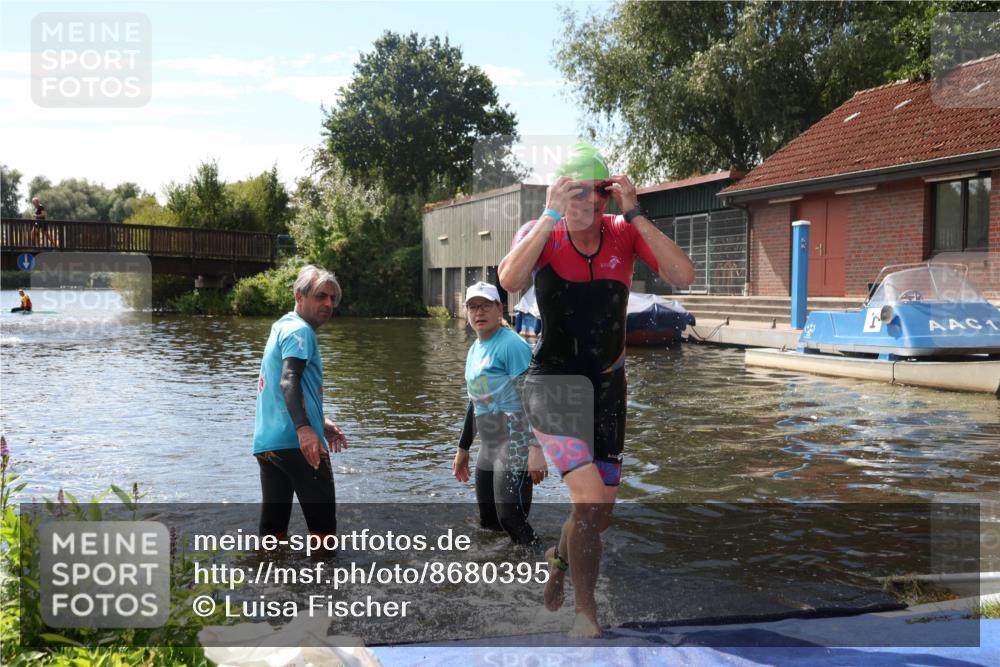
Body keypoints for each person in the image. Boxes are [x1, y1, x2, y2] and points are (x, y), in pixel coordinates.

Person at [498, 143, 695, 637]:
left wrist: (637, 214)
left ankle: (559, 562)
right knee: (587, 498)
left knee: (598, 516)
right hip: (554, 384)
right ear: (563, 193)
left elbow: (682, 276)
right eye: (579, 193)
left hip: (608, 387)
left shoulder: (624, 234)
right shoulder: (543, 232)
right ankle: (586, 617)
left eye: (600, 194)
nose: (591, 204)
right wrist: (548, 214)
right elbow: (508, 279)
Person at [253, 265, 348, 543]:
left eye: (332, 298)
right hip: (297, 443)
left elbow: (277, 386)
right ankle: (324, 583)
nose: (328, 304)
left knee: (272, 534)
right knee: (324, 534)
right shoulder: (301, 332)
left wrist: (321, 421)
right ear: (299, 296)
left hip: (269, 444)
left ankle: (271, 583)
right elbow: (288, 380)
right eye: (321, 296)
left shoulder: (282, 326)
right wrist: (306, 429)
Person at [452, 282, 547, 546]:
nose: (478, 312)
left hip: (515, 441)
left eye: (485, 305)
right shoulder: (474, 350)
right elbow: (477, 401)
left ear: (499, 308)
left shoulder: (511, 345)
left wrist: (536, 448)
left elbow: (534, 397)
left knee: (511, 519)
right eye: (473, 306)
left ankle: (546, 571)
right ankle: (499, 576)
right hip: (489, 443)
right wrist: (463, 448)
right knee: (489, 523)